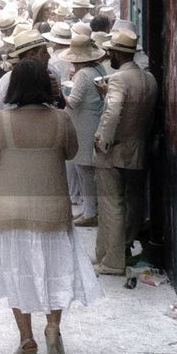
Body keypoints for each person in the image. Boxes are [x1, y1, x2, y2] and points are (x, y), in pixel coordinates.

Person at [0, 59, 101, 354]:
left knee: (16, 275)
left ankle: (26, 340)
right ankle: (53, 327)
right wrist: (59, 103)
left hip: (7, 212)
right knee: (54, 272)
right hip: (52, 212)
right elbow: (71, 152)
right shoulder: (61, 120)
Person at [92, 29, 158, 276]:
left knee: (111, 204)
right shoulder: (149, 79)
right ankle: (119, 249)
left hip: (115, 149)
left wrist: (102, 141)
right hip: (138, 147)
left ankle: (113, 260)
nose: (109, 55)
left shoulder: (119, 79)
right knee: (133, 201)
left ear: (118, 53)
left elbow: (113, 112)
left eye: (110, 51)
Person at [62, 36, 108, 228]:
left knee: (84, 168)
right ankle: (91, 209)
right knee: (88, 168)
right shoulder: (99, 69)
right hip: (94, 119)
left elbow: (74, 102)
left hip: (82, 124)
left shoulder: (82, 75)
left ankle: (90, 212)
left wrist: (60, 93)